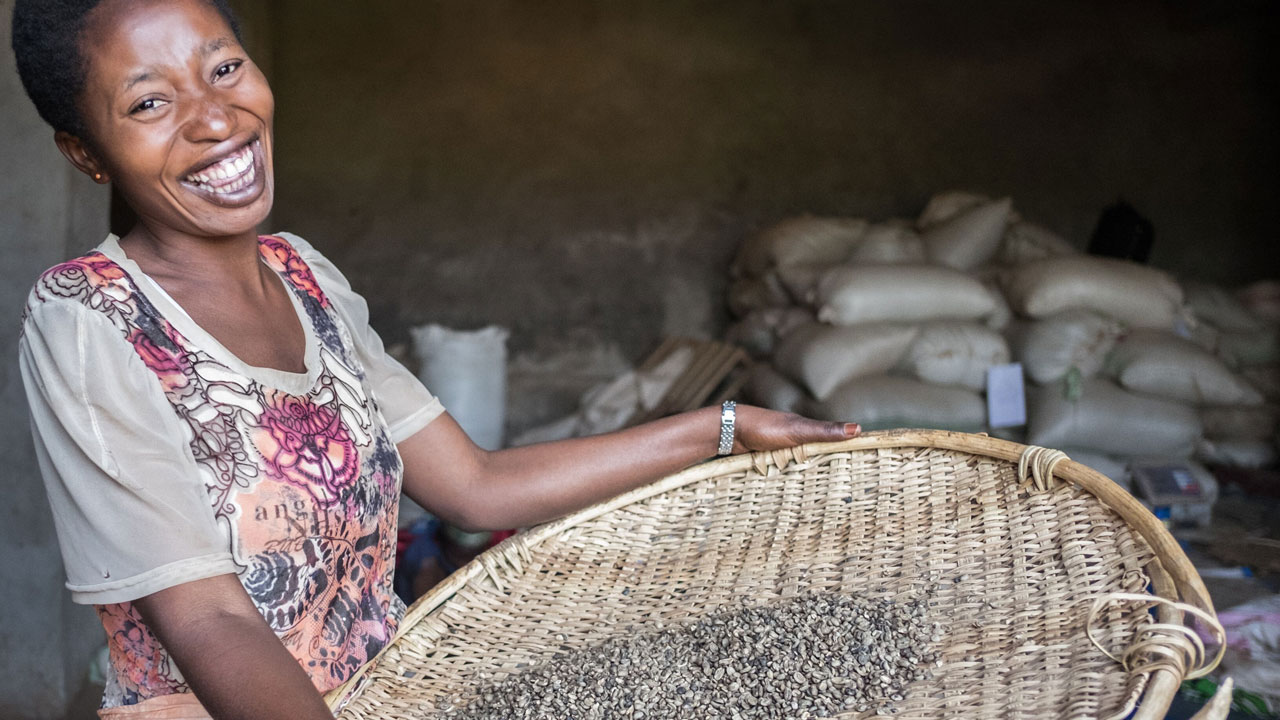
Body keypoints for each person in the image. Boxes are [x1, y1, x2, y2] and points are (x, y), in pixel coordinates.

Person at [11, 1, 860, 718]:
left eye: (224, 68)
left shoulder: (305, 278)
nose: (215, 118)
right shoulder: (88, 319)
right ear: (85, 152)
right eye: (150, 103)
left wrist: (723, 427)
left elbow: (475, 483)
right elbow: (210, 620)